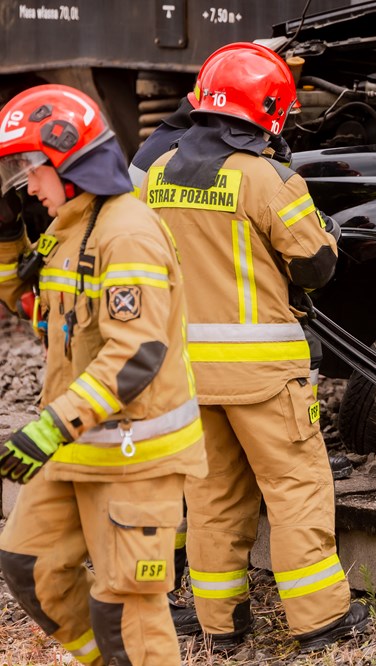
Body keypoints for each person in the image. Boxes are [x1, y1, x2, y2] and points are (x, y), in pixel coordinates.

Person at [138, 42, 370, 652]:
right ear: (270, 110)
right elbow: (315, 267)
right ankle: (320, 620)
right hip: (264, 375)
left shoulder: (158, 177)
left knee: (212, 498)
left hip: (189, 376)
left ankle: (221, 626)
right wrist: (328, 232)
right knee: (296, 490)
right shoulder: (267, 178)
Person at [0, 84, 207, 665]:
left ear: (70, 162)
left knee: (127, 611)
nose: (27, 185)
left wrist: (50, 427)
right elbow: (30, 307)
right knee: (28, 564)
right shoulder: (71, 229)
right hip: (80, 442)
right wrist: (6, 233)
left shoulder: (127, 233)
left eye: (33, 168)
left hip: (135, 455)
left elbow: (136, 354)